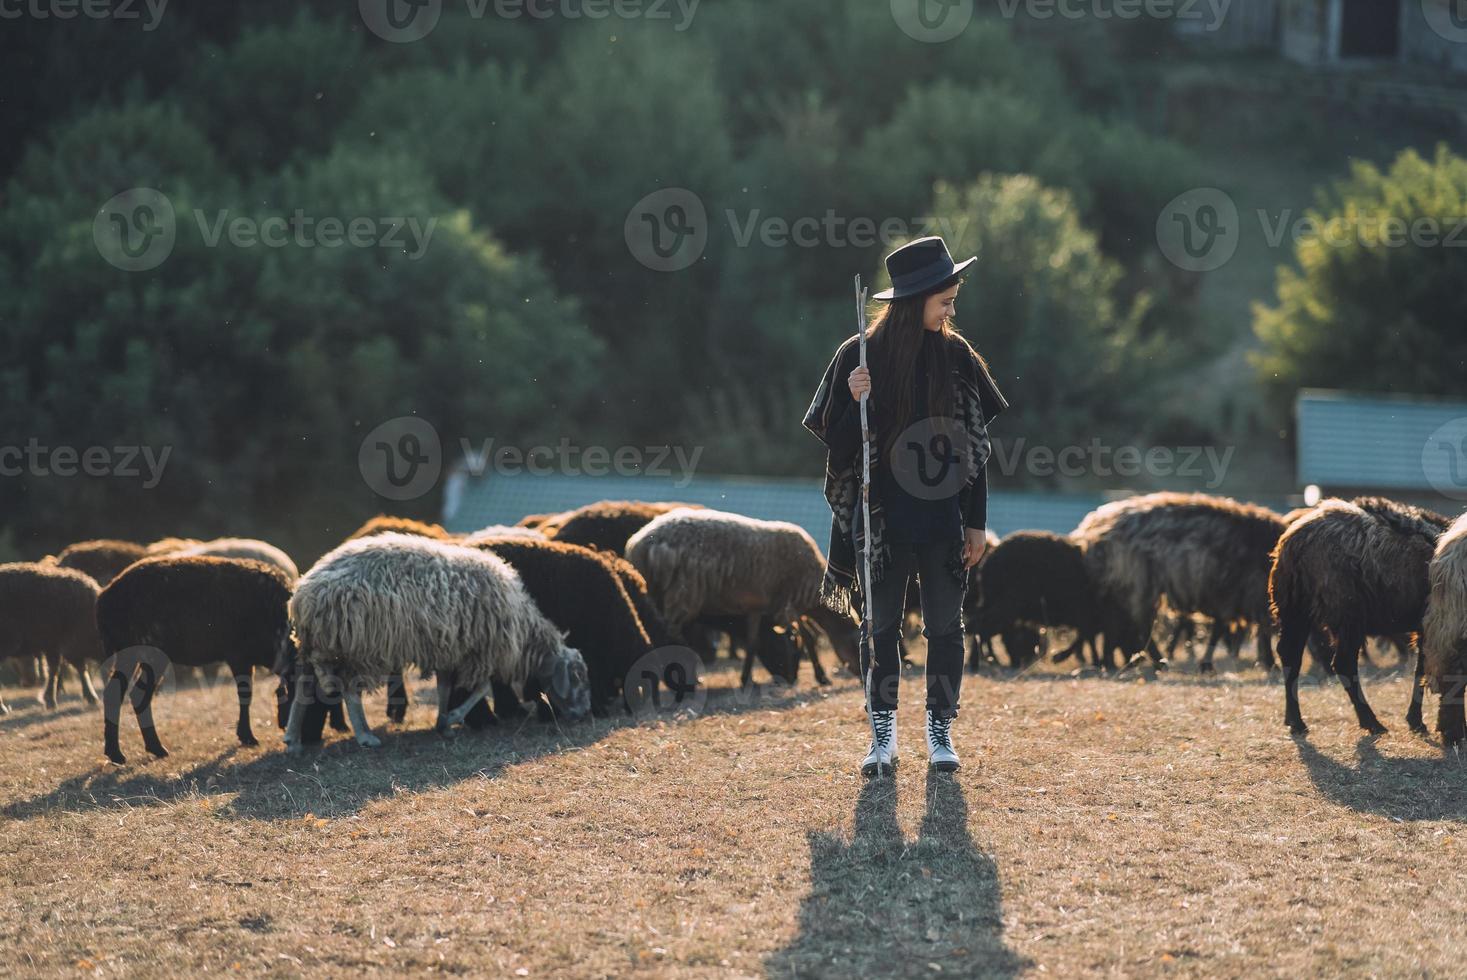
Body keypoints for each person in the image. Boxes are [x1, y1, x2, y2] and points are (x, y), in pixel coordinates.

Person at [802, 236, 1008, 777]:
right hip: (880, 523)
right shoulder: (858, 356)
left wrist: (977, 524)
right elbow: (840, 449)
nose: (952, 310)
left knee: (945, 627)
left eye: (953, 300)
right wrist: (853, 398)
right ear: (915, 299)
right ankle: (882, 733)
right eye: (946, 301)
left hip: (943, 521)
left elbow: (976, 452)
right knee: (880, 627)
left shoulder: (958, 357)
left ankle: (940, 731)